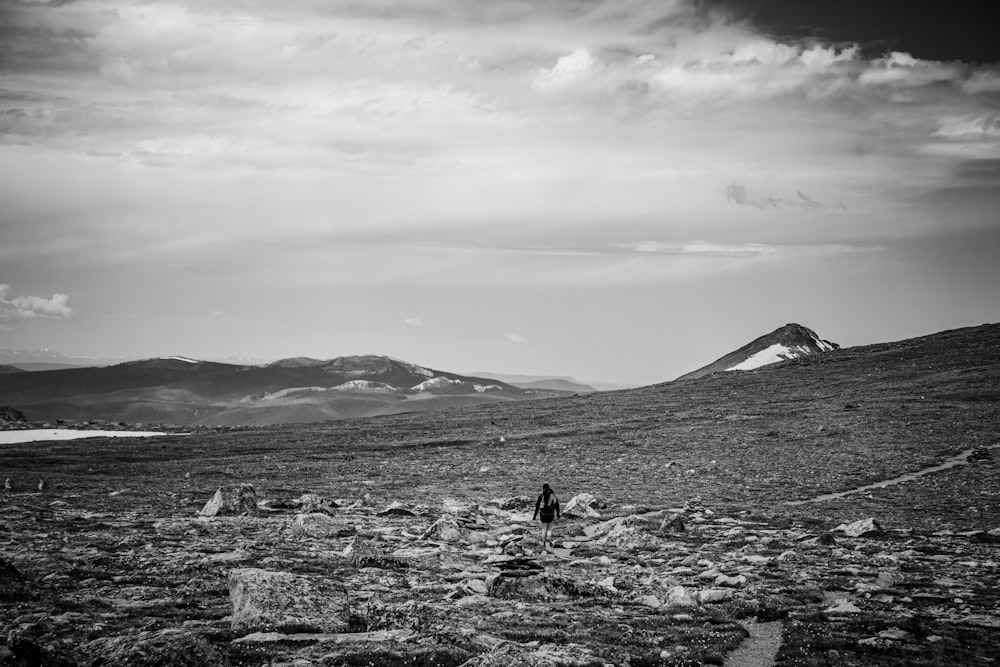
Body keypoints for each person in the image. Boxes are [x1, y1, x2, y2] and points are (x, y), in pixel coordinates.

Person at [532, 483, 560, 551]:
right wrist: (558, 514)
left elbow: (537, 507)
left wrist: (534, 516)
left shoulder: (541, 496)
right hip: (551, 515)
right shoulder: (553, 496)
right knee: (549, 528)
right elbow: (557, 506)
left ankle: (544, 543)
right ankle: (549, 538)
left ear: (543, 488)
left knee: (544, 528)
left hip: (543, 515)